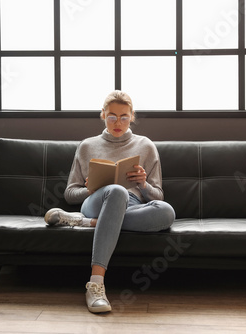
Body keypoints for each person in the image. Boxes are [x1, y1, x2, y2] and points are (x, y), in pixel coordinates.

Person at [44, 90, 175, 313]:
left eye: (124, 116)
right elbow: (69, 193)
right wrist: (89, 189)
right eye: (112, 116)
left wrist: (143, 184)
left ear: (132, 116)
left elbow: (158, 195)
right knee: (116, 191)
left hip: (132, 205)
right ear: (103, 115)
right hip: (95, 201)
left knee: (167, 211)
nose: (118, 122)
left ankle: (89, 223)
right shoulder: (87, 146)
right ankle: (95, 284)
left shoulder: (146, 145)